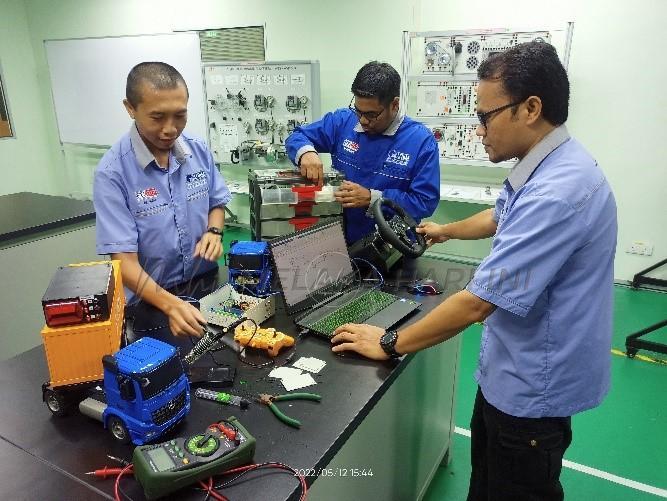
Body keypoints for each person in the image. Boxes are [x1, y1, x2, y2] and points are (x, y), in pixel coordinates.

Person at [330, 41, 617, 500]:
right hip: (511, 373)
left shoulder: (556, 194)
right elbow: (500, 215)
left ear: (530, 108)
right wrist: (445, 231)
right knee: (486, 482)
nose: (478, 129)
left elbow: (478, 301)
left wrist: (388, 342)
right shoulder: (548, 165)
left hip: (532, 390)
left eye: (485, 116)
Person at [93, 62, 231, 338]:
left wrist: (214, 231)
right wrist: (172, 306)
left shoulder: (198, 150)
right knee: (169, 375)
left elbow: (216, 201)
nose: (170, 129)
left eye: (180, 115)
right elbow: (124, 263)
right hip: (150, 299)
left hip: (205, 284)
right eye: (157, 117)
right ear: (130, 108)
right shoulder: (112, 173)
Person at [285, 61, 440, 244]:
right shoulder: (343, 121)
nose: (363, 120)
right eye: (358, 111)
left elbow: (424, 202)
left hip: (392, 248)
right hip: (340, 241)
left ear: (395, 105)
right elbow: (297, 136)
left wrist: (373, 199)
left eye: (372, 115)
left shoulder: (420, 141)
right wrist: (306, 153)